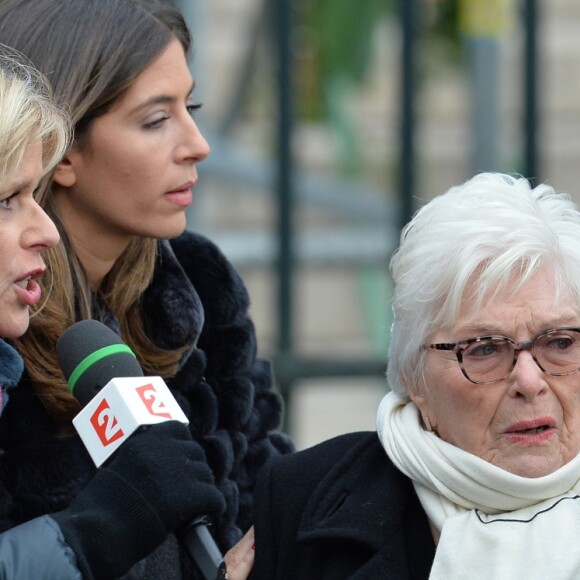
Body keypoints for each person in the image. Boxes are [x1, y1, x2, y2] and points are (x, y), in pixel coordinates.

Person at [0, 1, 292, 578]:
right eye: (156, 120)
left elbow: (268, 490)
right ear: (61, 146)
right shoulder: (8, 341)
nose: (197, 143)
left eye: (194, 107)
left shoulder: (200, 285)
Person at [248, 172, 580, 579]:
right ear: (414, 378)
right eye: (484, 349)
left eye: (561, 343)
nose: (530, 382)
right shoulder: (301, 497)